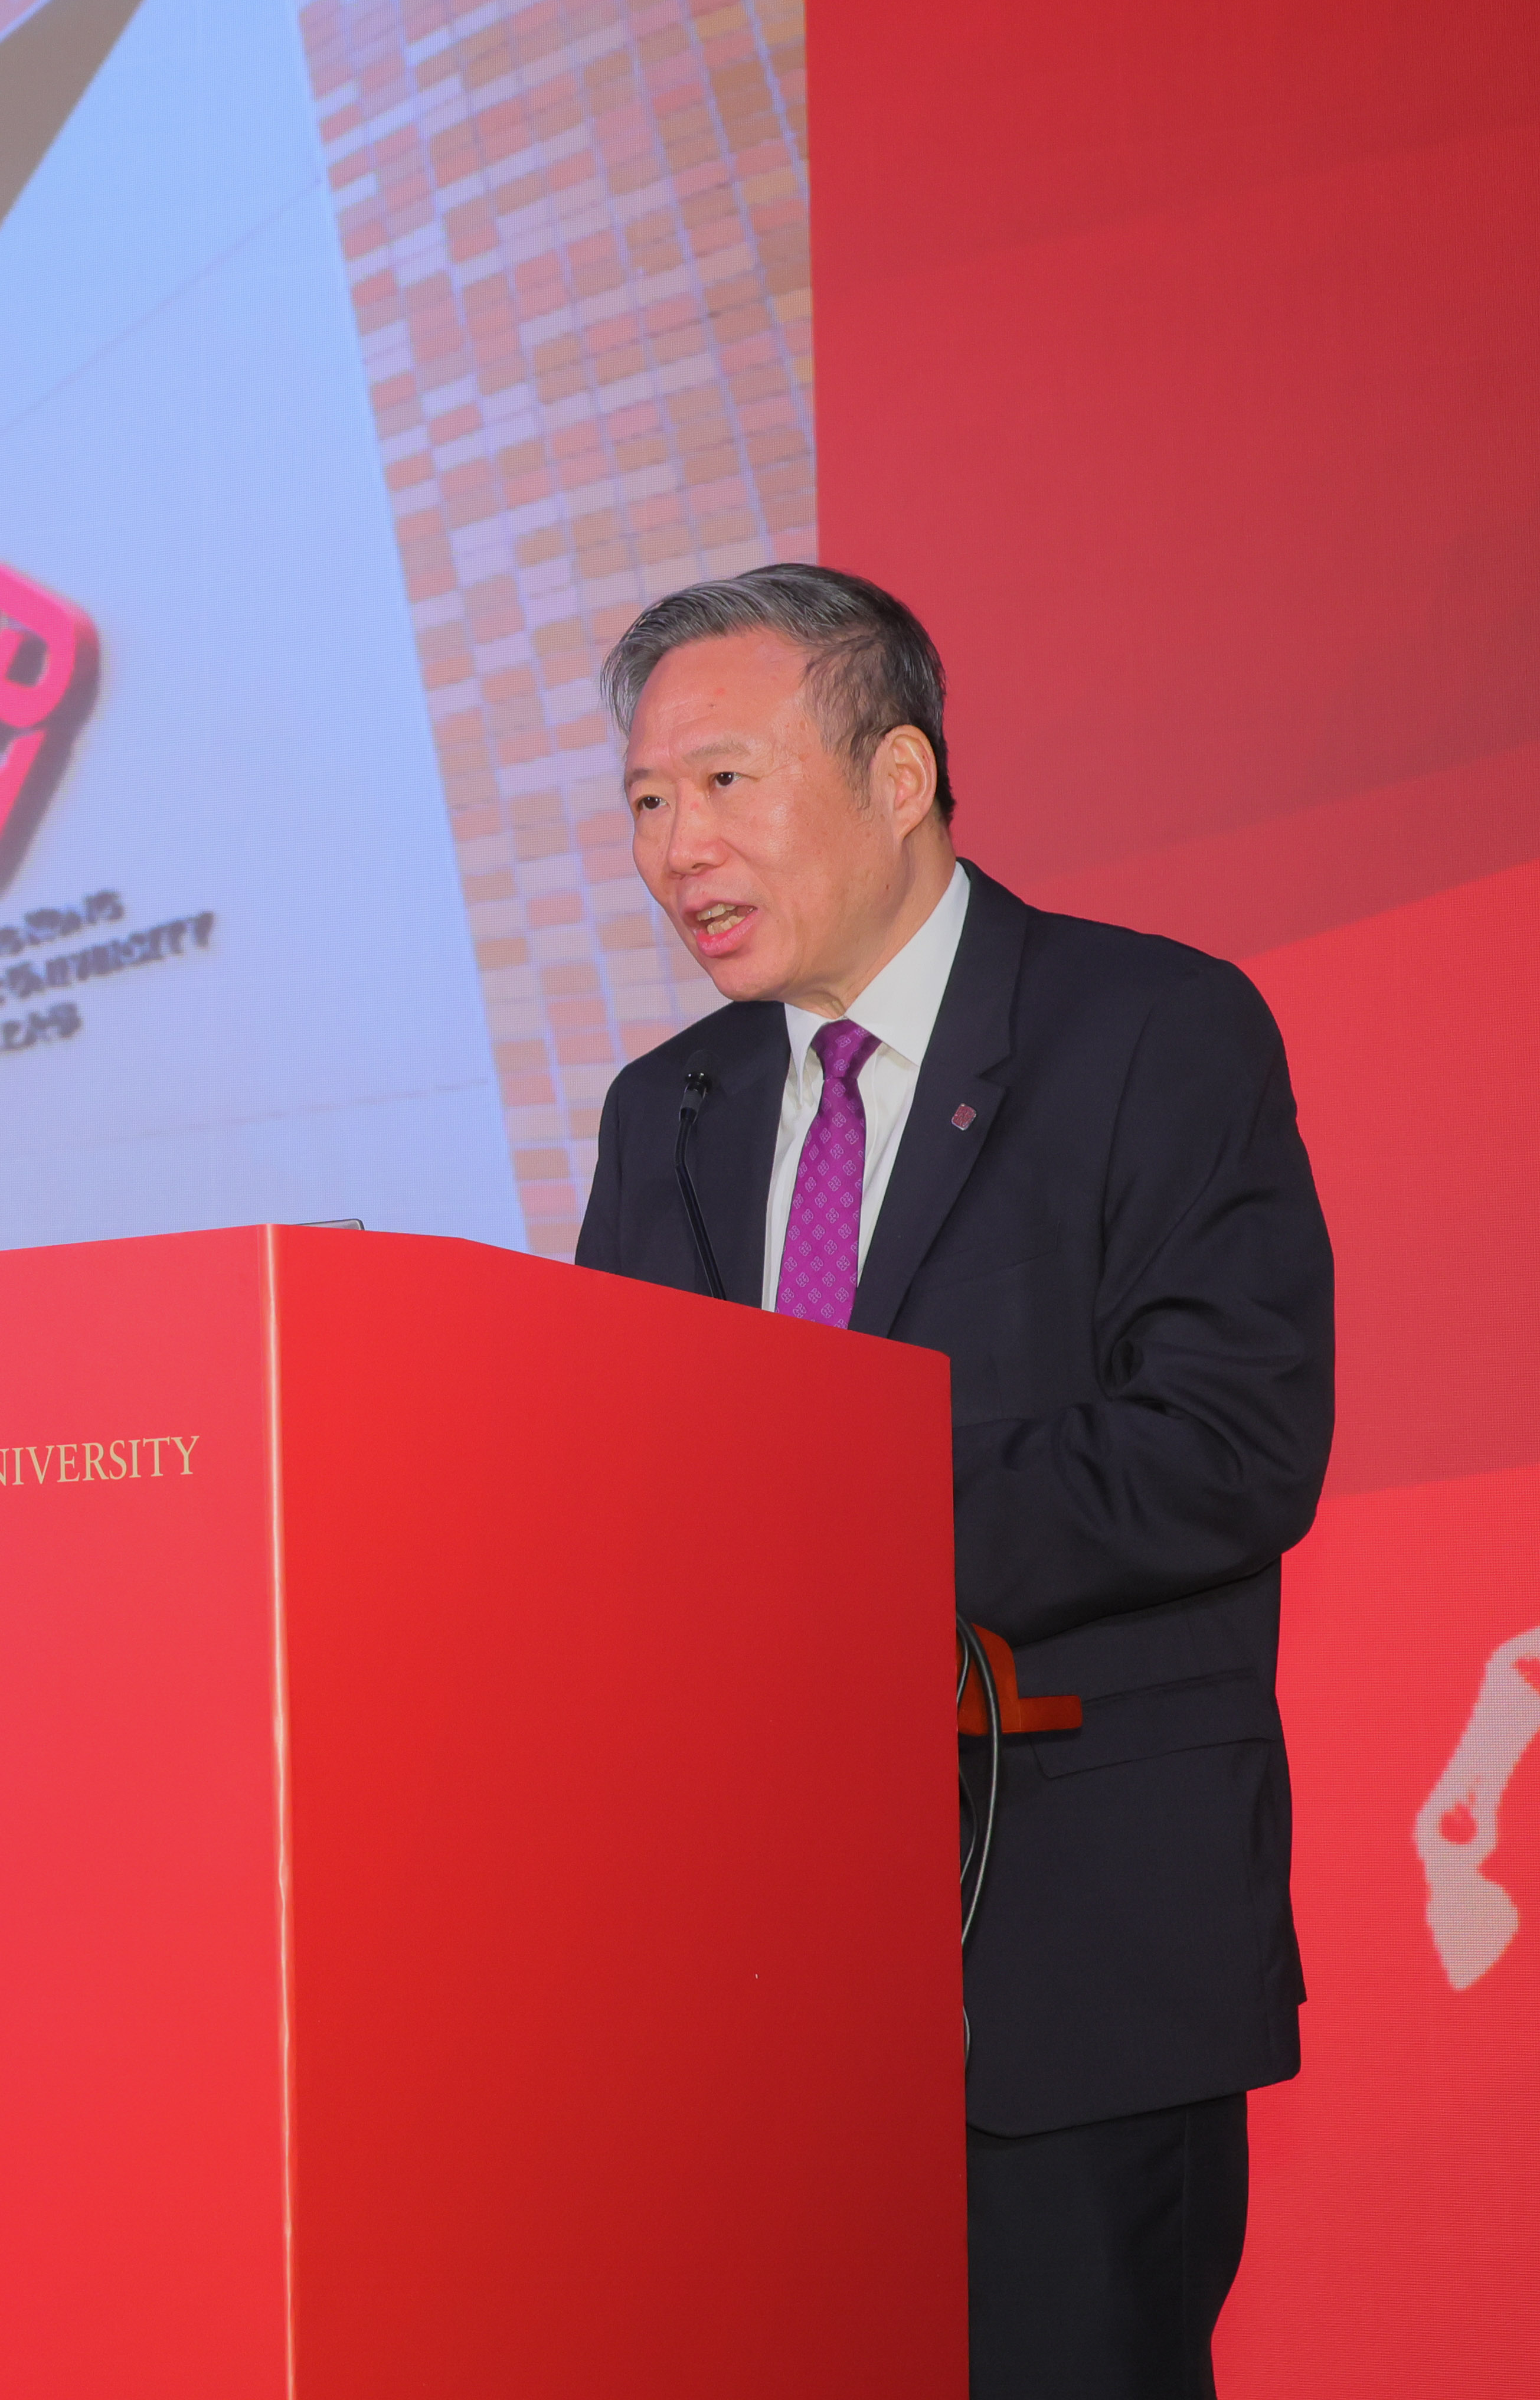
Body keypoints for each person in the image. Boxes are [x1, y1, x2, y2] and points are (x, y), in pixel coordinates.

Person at [574, 564, 1332, 2399]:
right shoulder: (665, 1108)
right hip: (750, 1978)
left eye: (726, 784)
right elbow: (616, 1493)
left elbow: (1225, 1447)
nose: (679, 850)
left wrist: (833, 1525)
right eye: (650, 802)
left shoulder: (1152, 1030)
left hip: (1072, 1965)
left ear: (900, 775)